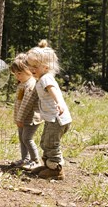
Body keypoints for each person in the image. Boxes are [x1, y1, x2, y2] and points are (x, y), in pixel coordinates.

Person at [24, 40, 72, 180]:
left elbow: (53, 91)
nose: (31, 69)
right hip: (53, 119)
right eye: (30, 66)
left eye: (35, 67)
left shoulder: (46, 79)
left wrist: (59, 103)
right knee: (45, 141)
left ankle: (56, 169)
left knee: (51, 143)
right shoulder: (42, 78)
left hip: (57, 119)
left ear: (45, 67)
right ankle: (47, 165)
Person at [9, 53, 42, 170]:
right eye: (15, 74)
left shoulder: (31, 85)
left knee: (27, 139)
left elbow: (26, 104)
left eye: (20, 73)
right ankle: (25, 159)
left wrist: (20, 118)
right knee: (22, 138)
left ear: (28, 70)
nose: (17, 76)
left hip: (30, 118)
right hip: (22, 118)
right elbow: (19, 101)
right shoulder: (23, 83)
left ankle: (35, 160)